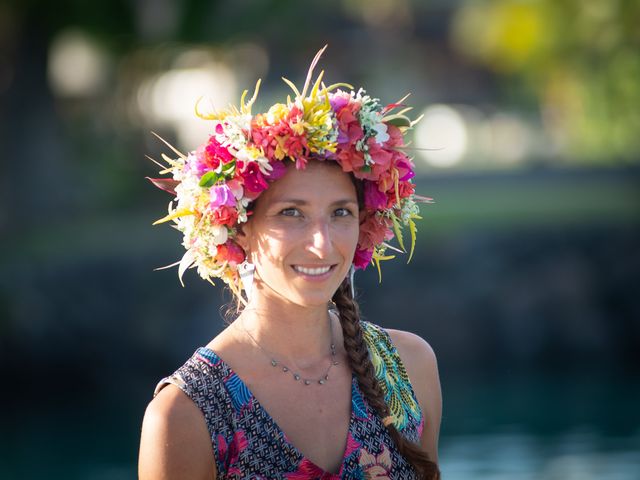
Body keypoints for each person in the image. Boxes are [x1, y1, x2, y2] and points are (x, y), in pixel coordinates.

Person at [138, 46, 442, 479]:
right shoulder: (187, 414)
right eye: (291, 214)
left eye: (340, 213)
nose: (321, 244)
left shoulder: (410, 367)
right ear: (238, 228)